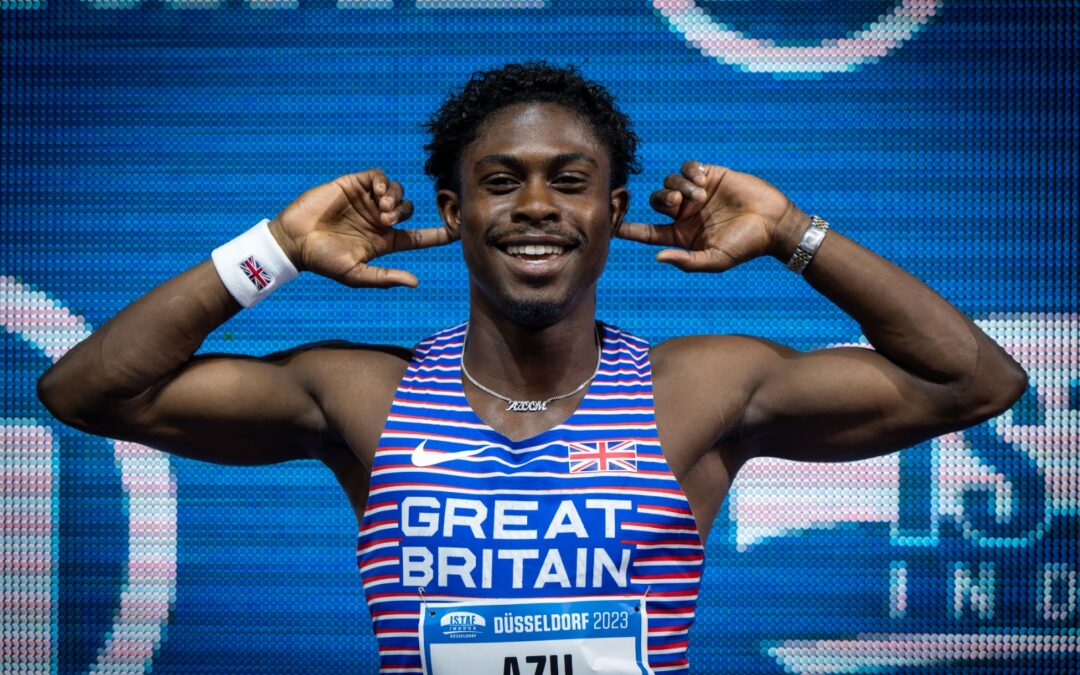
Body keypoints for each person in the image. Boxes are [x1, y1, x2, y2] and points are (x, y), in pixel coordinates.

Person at [37, 62, 1027, 674]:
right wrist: (274, 252)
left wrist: (789, 234)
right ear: (454, 211)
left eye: (571, 181)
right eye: (500, 182)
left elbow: (972, 382)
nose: (536, 206)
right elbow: (87, 391)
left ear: (612, 208)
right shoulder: (361, 395)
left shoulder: (701, 389)